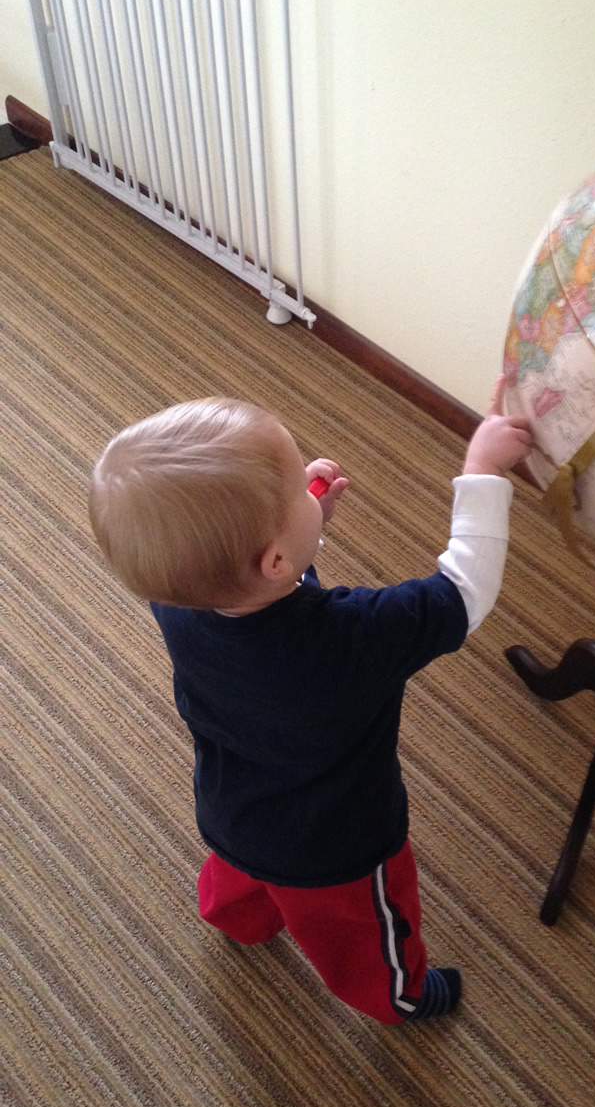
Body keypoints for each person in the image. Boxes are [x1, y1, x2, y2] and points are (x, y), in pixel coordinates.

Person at [88, 376, 531, 1024]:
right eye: (300, 486)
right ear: (272, 560)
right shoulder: (354, 637)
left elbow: (260, 590)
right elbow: (464, 592)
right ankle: (396, 997)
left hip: (231, 807)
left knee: (241, 878)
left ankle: (237, 920)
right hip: (336, 847)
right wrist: (483, 469)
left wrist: (303, 522)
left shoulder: (177, 601)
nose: (310, 483)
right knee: (359, 935)